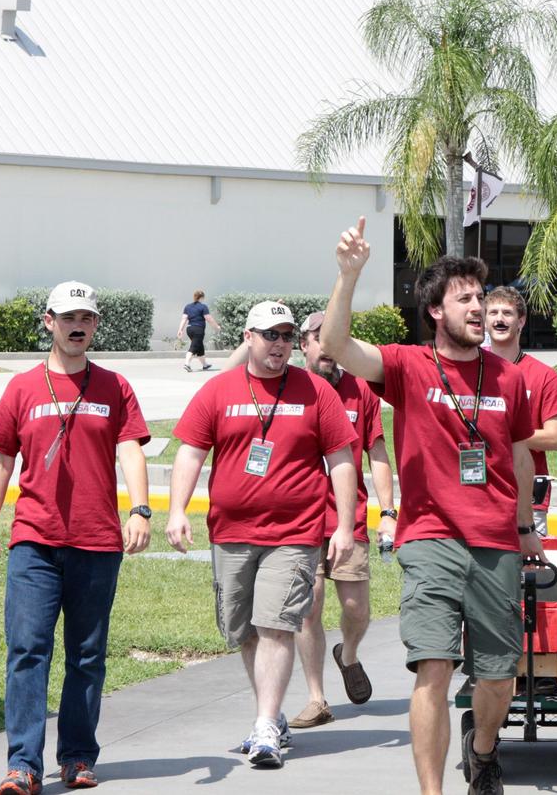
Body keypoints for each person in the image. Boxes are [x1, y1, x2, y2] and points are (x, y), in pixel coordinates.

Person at [320, 216, 542, 795]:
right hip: (430, 538)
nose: (477, 306)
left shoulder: (509, 378)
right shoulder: (407, 366)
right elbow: (339, 346)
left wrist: (527, 527)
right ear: (436, 312)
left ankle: (484, 751)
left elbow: (519, 456)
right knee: (434, 669)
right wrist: (348, 275)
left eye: (480, 296)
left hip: (495, 540)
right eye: (463, 298)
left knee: (498, 678)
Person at [165, 300, 358, 769]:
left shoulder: (315, 392)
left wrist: (347, 526)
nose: (280, 344)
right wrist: (176, 511)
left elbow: (342, 459)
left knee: (276, 625)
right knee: (245, 630)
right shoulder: (219, 390)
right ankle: (267, 715)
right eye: (271, 334)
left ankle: (266, 725)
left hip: (295, 532)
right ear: (248, 337)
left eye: (288, 335)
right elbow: (190, 453)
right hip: (231, 531)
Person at [0, 281, 153, 795]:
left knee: (87, 654)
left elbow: (131, 450)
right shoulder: (22, 388)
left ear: (95, 325)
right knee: (28, 650)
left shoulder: (115, 386)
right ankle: (23, 766)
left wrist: (140, 509)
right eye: (69, 316)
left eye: (88, 318)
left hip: (97, 542)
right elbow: (0, 460)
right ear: (49, 321)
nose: (79, 325)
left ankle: (77, 757)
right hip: (34, 540)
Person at [288, 310, 396, 728]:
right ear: (304, 345)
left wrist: (388, 512)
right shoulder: (289, 389)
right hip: (299, 521)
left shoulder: (360, 392)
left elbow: (378, 454)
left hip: (346, 520)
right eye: (319, 339)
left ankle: (347, 654)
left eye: (335, 339)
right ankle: (317, 698)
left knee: (356, 608)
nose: (328, 347)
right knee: (307, 608)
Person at [484, 286, 557, 536]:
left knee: (528, 574)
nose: (499, 319)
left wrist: (501, 434)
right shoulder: (471, 370)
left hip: (529, 499)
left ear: (521, 321)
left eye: (507, 313)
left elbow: (554, 438)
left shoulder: (544, 376)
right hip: (479, 493)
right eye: (492, 313)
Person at [177, 289, 221, 372]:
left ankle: (205, 365)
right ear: (202, 298)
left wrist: (180, 330)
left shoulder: (188, 306)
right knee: (194, 347)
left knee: (199, 347)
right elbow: (209, 318)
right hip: (198, 329)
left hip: (189, 329)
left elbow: (184, 318)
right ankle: (187, 364)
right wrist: (216, 327)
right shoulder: (203, 307)